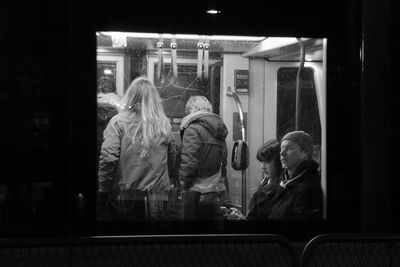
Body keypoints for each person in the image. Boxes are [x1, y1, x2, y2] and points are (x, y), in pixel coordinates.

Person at [97, 76, 175, 221]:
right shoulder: (164, 125)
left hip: (126, 196)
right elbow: (171, 163)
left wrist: (103, 190)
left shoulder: (118, 123)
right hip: (158, 197)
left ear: (131, 97)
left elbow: (108, 158)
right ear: (154, 99)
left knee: (127, 239)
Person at [178, 96, 230, 220]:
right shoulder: (219, 130)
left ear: (191, 109)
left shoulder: (193, 129)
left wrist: (181, 187)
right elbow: (224, 162)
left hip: (196, 196)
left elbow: (189, 164)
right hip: (217, 194)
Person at [268, 131, 323, 220]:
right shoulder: (284, 182)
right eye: (281, 148)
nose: (282, 153)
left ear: (304, 154)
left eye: (288, 148)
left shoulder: (308, 188)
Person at [246, 139, 283, 220]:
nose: (262, 167)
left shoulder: (281, 189)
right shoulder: (265, 183)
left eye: (266, 162)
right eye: (262, 162)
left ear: (278, 162)